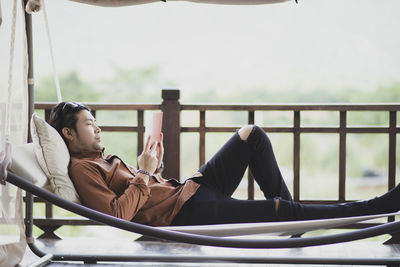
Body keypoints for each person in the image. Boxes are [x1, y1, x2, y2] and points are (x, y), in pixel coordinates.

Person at [49, 101, 400, 227]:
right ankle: (375, 207)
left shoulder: (100, 158)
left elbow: (141, 190)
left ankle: (291, 220)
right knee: (274, 208)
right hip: (184, 214)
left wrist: (151, 169)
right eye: (88, 124)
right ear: (68, 133)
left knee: (252, 135)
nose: (97, 127)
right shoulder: (83, 169)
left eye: (95, 121)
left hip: (187, 191)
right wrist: (143, 173)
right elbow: (116, 216)